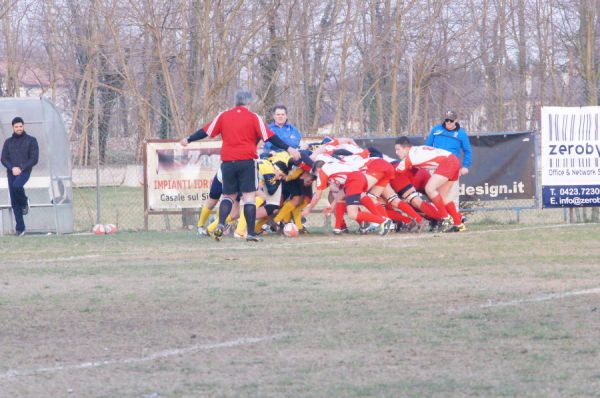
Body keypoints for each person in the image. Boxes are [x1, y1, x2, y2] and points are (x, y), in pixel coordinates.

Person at [179, 90, 300, 242]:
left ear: (235, 102)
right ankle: (250, 233)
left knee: (228, 196)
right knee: (249, 198)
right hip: (246, 162)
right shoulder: (254, 117)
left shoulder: (223, 116)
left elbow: (206, 131)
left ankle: (221, 224)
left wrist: (189, 139)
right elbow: (270, 136)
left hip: (228, 162)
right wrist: (288, 148)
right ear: (249, 103)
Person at [394, 136, 465, 232]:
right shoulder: (416, 149)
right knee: (443, 196)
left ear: (406, 148)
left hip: (448, 162)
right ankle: (459, 224)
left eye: (398, 149)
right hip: (453, 160)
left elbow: (395, 173)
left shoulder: (410, 158)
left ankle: (445, 219)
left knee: (429, 188)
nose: (396, 152)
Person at [1, 117, 39, 236]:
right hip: (11, 172)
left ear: (24, 126)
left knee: (17, 186)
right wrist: (12, 168)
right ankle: (20, 229)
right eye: (16, 127)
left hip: (25, 171)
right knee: (14, 201)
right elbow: (3, 158)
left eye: (20, 126)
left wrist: (21, 168)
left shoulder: (31, 140)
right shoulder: (8, 142)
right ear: (13, 127)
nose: (18, 128)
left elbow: (34, 158)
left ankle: (24, 202)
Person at [426, 110, 472, 207]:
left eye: (451, 120)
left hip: (452, 166)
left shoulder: (461, 133)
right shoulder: (436, 130)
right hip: (436, 166)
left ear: (456, 120)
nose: (448, 123)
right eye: (446, 120)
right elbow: (428, 147)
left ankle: (454, 219)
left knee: (452, 194)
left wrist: (465, 166)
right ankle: (437, 218)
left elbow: (467, 151)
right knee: (434, 192)